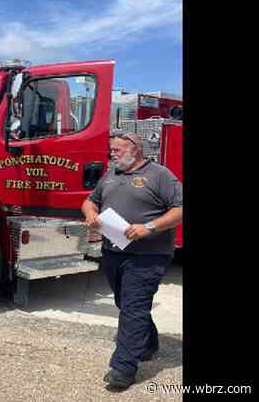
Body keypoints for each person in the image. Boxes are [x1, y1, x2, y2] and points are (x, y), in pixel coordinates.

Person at [81, 131, 183, 389]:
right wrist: (91, 214)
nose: (111, 154)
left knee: (133, 306)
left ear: (134, 149)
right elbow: (89, 202)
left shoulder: (160, 175)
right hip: (113, 252)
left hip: (149, 255)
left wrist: (149, 227)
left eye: (116, 150)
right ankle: (148, 343)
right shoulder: (111, 174)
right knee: (124, 301)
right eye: (111, 150)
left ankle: (123, 368)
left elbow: (180, 209)